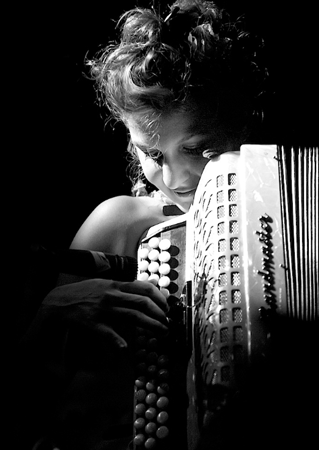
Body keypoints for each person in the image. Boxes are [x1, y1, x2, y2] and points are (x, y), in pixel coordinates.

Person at [17, 1, 267, 449]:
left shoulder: (293, 218)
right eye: (152, 155)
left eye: (199, 150)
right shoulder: (122, 224)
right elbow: (31, 407)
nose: (174, 179)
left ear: (242, 127)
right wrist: (49, 316)